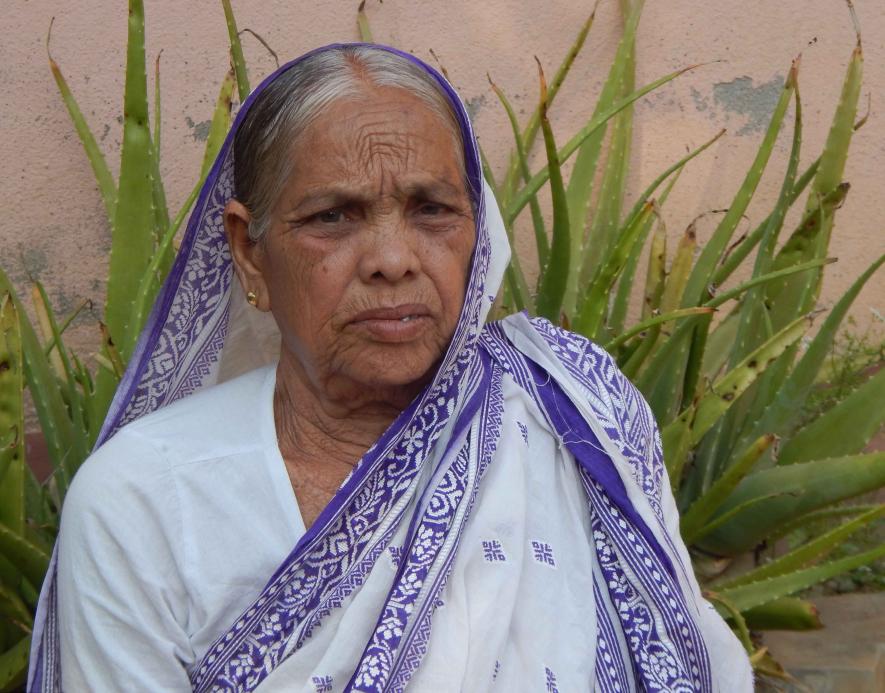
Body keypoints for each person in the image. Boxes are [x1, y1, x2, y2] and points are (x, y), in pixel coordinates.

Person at [28, 44, 752, 692]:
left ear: (478, 227)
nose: (393, 259)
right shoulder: (141, 501)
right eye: (333, 217)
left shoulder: (571, 417)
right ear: (250, 251)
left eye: (431, 209)